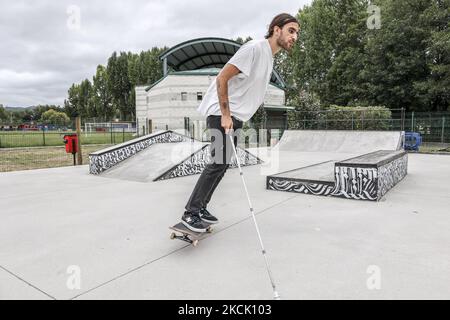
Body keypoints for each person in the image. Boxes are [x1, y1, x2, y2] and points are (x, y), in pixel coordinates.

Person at [181, 13, 299, 232]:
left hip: (235, 117)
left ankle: (201, 208)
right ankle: (190, 213)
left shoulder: (269, 58)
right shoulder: (255, 48)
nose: (294, 37)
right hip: (221, 113)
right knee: (218, 162)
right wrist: (226, 115)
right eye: (291, 30)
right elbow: (222, 78)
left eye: (296, 33)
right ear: (276, 29)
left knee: (222, 164)